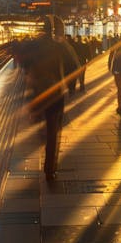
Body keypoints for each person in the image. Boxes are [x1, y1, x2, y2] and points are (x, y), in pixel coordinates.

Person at [21, 15, 81, 180]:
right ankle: (49, 167)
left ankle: (41, 131)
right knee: (53, 129)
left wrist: (30, 77)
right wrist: (70, 86)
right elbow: (74, 66)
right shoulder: (60, 46)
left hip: (38, 92)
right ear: (53, 29)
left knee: (43, 123)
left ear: (42, 29)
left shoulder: (33, 46)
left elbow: (24, 65)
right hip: (55, 93)